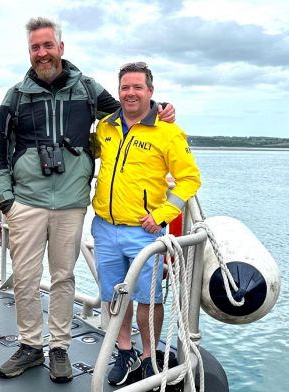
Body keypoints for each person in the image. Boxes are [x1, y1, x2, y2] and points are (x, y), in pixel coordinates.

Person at [0, 17, 176, 383]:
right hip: (26, 202)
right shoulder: (16, 95)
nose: (42, 53)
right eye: (35, 48)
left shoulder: (86, 89)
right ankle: (29, 345)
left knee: (62, 277)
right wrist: (8, 201)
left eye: (47, 45)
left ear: (61, 47)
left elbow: (128, 114)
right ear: (30, 52)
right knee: (26, 279)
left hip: (72, 204)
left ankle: (58, 347)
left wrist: (162, 109)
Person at [91, 62, 201, 385]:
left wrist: (162, 215)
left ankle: (149, 355)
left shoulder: (167, 132)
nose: (131, 93)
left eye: (138, 87)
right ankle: (124, 351)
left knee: (148, 300)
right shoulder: (105, 129)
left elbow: (189, 179)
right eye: (125, 87)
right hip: (105, 227)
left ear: (150, 92)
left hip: (144, 233)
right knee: (115, 296)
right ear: (119, 90)